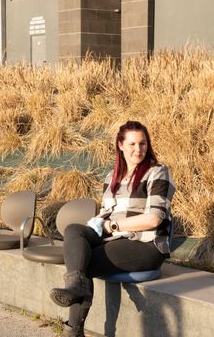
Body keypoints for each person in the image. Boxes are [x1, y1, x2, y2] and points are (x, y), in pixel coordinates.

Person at [50, 121, 176, 337]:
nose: (139, 149)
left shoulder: (157, 172)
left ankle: (73, 331)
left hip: (145, 244)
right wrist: (98, 223)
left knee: (84, 262)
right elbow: (108, 212)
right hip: (114, 237)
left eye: (143, 143)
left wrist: (111, 226)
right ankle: (76, 286)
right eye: (133, 144)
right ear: (120, 145)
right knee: (74, 230)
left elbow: (154, 219)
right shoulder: (112, 177)